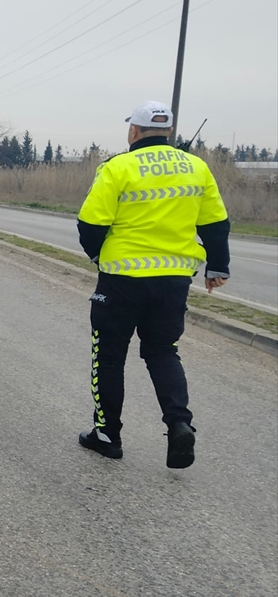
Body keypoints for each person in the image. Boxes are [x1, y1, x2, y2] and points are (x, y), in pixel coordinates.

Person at [76, 101, 230, 468]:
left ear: (134, 131)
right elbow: (216, 223)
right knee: (163, 352)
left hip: (122, 280)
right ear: (169, 133)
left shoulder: (117, 167)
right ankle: (179, 423)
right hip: (174, 281)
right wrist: (217, 267)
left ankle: (107, 435)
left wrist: (99, 257)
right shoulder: (197, 168)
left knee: (109, 356)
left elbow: (90, 226)